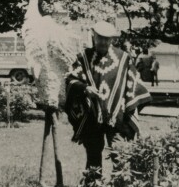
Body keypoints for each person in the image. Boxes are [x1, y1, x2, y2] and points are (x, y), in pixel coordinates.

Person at [64, 21, 152, 172]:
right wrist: (85, 88)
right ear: (94, 36)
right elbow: (71, 79)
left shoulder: (123, 59)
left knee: (119, 153)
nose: (103, 42)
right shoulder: (84, 58)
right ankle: (93, 183)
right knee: (93, 154)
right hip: (92, 116)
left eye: (107, 39)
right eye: (100, 38)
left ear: (112, 39)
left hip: (117, 117)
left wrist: (128, 105)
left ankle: (120, 184)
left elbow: (133, 83)